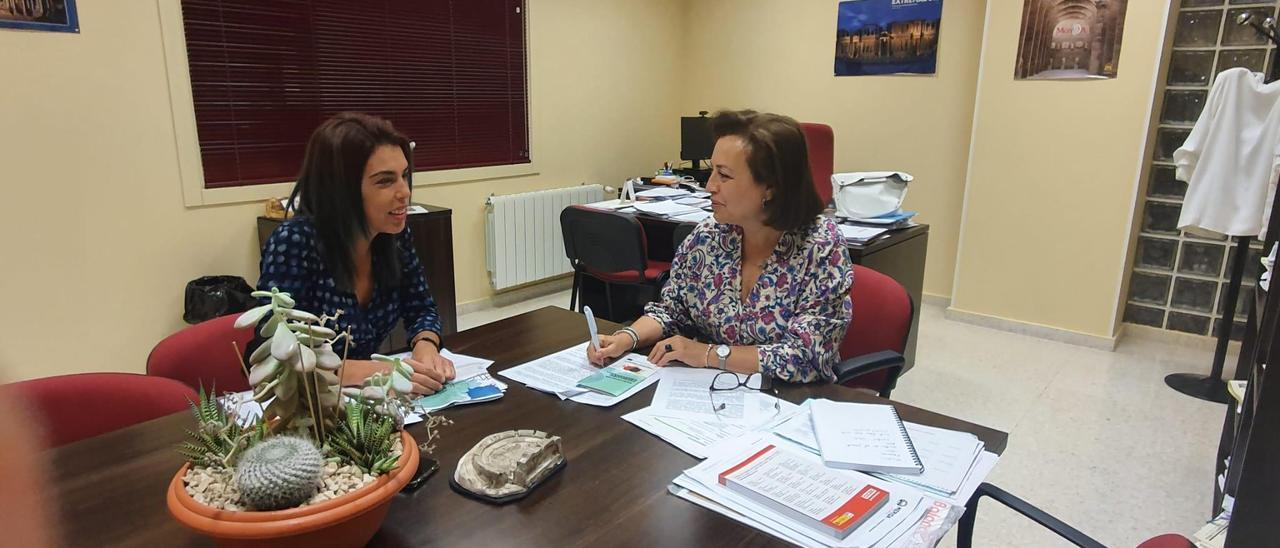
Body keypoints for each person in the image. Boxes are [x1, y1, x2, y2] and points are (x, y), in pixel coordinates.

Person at [587, 110, 853, 383]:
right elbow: (671, 310)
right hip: (709, 392)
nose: (709, 186)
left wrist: (707, 354)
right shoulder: (710, 236)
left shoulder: (820, 247)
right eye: (712, 170)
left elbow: (805, 357)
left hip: (788, 401)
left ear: (771, 187)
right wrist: (626, 338)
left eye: (724, 176)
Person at [257, 112, 454, 394]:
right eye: (385, 181)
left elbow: (420, 307)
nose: (404, 192)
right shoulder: (295, 243)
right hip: (308, 406)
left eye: (404, 176)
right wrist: (382, 371)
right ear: (341, 189)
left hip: (361, 399)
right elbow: (282, 359)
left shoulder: (393, 237)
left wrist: (426, 346)